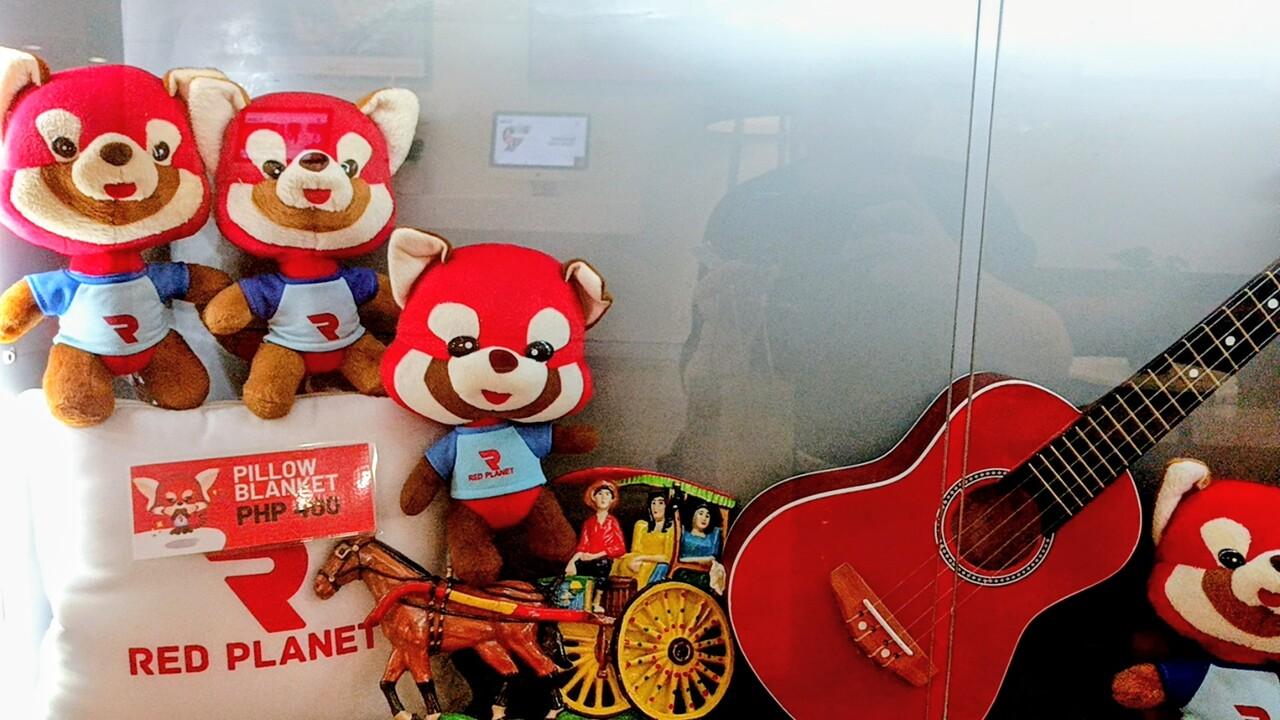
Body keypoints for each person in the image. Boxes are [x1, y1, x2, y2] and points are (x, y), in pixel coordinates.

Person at [565, 480, 626, 579]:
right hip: (589, 560)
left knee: (601, 565)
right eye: (600, 494)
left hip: (604, 561)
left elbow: (620, 547)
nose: (603, 497)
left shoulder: (612, 522)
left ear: (612, 499)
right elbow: (583, 546)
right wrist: (572, 561)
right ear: (593, 497)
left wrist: (596, 555)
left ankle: (598, 589)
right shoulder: (588, 523)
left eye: (607, 494)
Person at [613, 491, 675, 588]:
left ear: (666, 506)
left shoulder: (671, 529)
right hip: (636, 560)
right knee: (619, 561)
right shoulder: (641, 526)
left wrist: (641, 558)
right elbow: (635, 550)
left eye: (660, 503)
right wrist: (634, 558)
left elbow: (666, 557)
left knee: (643, 567)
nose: (656, 507)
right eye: (653, 503)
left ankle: (639, 593)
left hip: (655, 565)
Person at [673, 501, 726, 594]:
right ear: (693, 515)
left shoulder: (712, 538)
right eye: (700, 514)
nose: (704, 518)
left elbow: (711, 559)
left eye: (707, 516)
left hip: (702, 575)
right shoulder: (684, 533)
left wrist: (685, 560)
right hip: (682, 572)